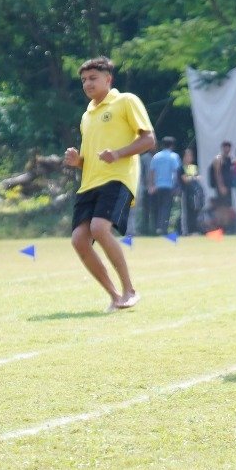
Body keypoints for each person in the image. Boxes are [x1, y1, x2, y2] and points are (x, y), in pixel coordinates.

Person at [63, 56, 154, 310]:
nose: (87, 84)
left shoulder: (126, 101)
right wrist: (77, 161)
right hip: (88, 184)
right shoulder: (86, 116)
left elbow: (149, 140)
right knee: (79, 240)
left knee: (99, 228)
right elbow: (89, 159)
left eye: (93, 78)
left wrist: (118, 154)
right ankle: (115, 296)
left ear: (108, 79)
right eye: (83, 80)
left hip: (117, 178)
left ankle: (130, 290)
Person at [147, 137, 181, 235]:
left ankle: (156, 227)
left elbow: (152, 172)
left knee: (157, 207)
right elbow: (175, 172)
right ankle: (163, 228)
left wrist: (151, 185)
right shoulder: (174, 156)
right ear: (172, 146)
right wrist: (177, 186)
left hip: (157, 186)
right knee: (166, 207)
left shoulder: (156, 156)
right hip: (169, 186)